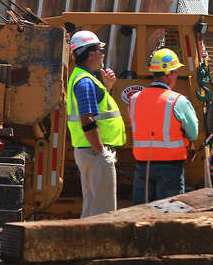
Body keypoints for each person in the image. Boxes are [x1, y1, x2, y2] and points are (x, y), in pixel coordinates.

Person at [66, 30, 126, 217]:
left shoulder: (85, 79)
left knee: (94, 207)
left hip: (89, 151)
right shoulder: (85, 82)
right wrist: (102, 152)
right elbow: (88, 119)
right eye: (100, 50)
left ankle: (86, 244)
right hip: (94, 152)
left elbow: (96, 113)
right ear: (90, 54)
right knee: (103, 211)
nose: (102, 54)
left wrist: (108, 86)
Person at [128, 49, 199, 204]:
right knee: (168, 217)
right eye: (175, 72)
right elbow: (193, 134)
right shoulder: (178, 101)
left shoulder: (135, 99)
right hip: (170, 168)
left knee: (141, 215)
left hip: (143, 166)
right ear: (169, 74)